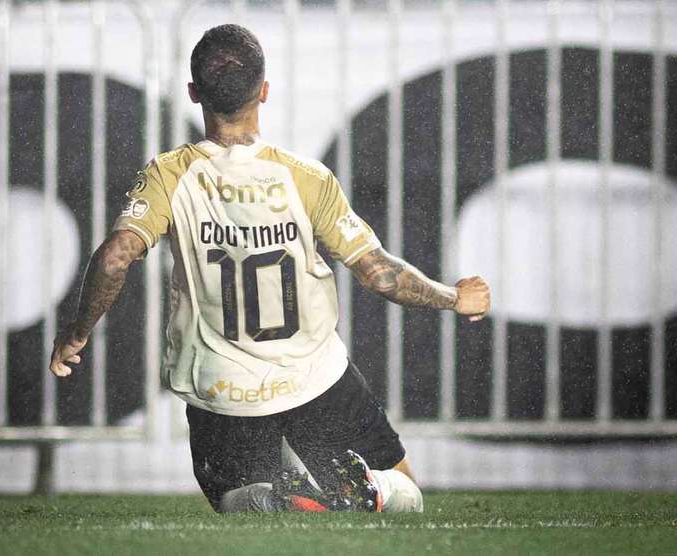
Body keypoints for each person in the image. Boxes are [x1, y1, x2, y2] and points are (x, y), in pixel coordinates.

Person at [49, 24, 490, 513]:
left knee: (235, 503)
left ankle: (269, 497)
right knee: (405, 494)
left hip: (221, 389)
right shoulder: (305, 177)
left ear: (194, 93)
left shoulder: (169, 175)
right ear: (264, 90)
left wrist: (77, 331)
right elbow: (378, 273)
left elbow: (115, 257)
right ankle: (368, 487)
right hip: (314, 379)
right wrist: (453, 297)